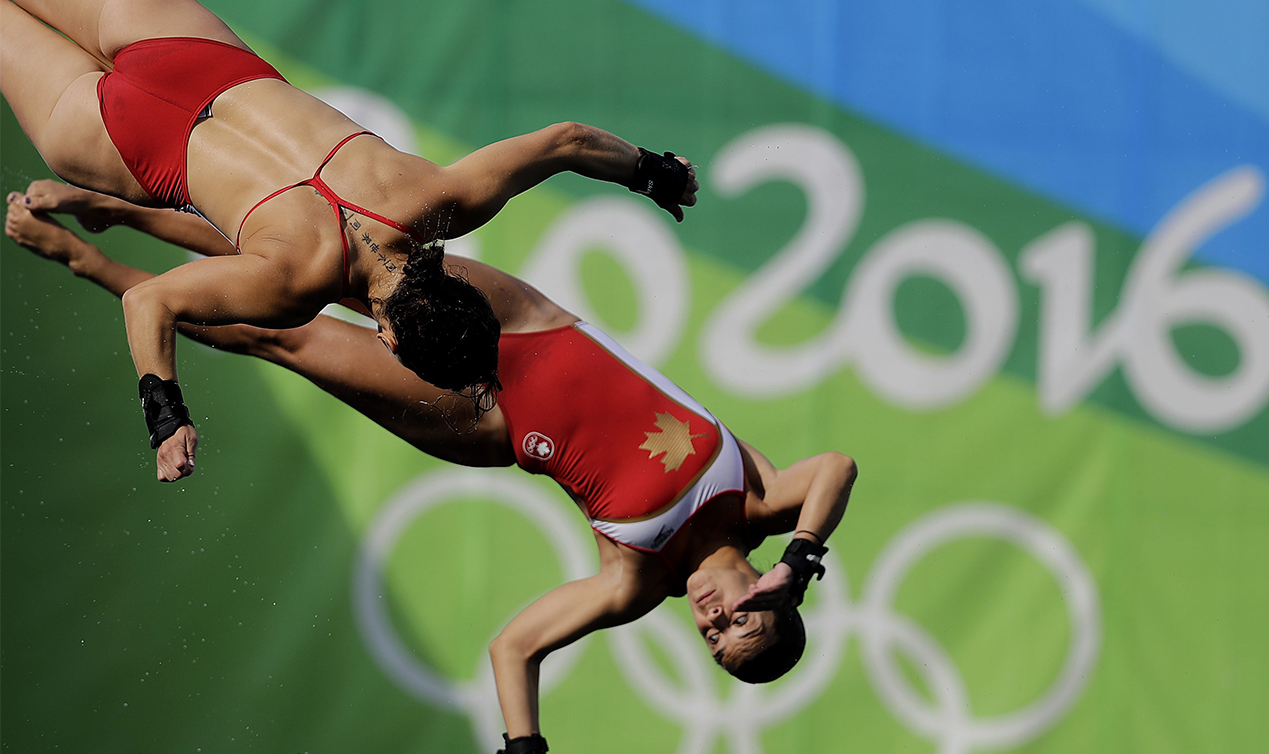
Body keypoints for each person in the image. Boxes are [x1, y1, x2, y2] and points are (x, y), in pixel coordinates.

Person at [6, 188, 857, 754]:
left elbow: (512, 649)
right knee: (327, 260)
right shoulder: (762, 503)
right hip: (526, 323)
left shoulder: (636, 585)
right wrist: (800, 558)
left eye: (713, 644)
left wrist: (524, 748)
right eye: (739, 624)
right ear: (770, 597)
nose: (712, 625)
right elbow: (839, 466)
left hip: (482, 416)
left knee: (284, 332)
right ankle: (119, 209)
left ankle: (94, 266)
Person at [0, 0, 697, 483]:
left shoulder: (439, 200)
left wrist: (655, 173)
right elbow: (150, 300)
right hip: (120, 140)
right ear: (393, 343)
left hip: (188, 48)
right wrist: (165, 416)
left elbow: (566, 141)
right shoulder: (296, 287)